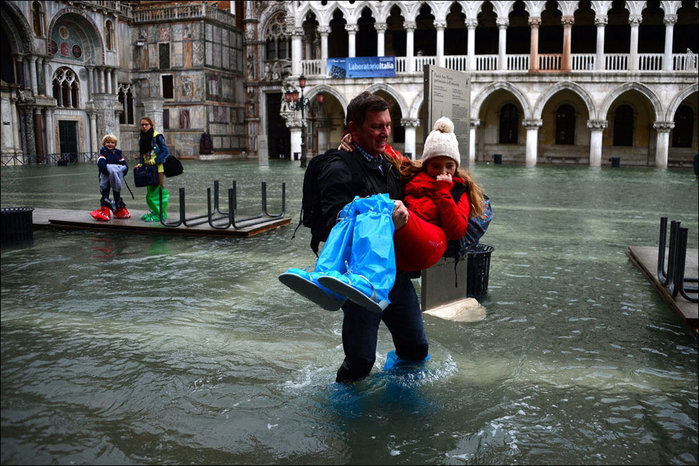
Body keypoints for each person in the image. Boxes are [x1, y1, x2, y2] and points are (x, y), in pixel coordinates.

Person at [287, 91, 435, 383]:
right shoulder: (338, 167)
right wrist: (384, 219)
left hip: (395, 274)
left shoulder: (388, 164)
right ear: (353, 129)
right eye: (377, 126)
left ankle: (398, 404)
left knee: (416, 349)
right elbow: (333, 224)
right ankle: (341, 417)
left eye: (388, 125)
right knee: (361, 361)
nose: (385, 132)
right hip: (360, 280)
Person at [280, 117, 483, 313]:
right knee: (357, 208)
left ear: (456, 166)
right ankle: (324, 273)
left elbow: (456, 231)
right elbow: (388, 151)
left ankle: (369, 282)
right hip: (405, 238)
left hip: (433, 242)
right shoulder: (414, 172)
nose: (442, 172)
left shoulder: (459, 190)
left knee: (386, 206)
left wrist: (442, 191)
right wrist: (353, 138)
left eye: (449, 166)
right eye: (436, 166)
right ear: (426, 162)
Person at [136, 117, 170, 222]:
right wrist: (140, 164)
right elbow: (143, 153)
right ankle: (155, 211)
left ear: (151, 125)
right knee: (150, 191)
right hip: (147, 167)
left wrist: (155, 160)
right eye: (142, 125)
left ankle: (161, 213)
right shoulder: (142, 137)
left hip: (157, 167)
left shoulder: (157, 136)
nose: (144, 127)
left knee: (158, 189)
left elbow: (165, 152)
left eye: (146, 124)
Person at [89, 134, 130, 221]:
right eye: (108, 142)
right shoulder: (102, 155)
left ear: (115, 144)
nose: (110, 144)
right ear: (104, 144)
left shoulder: (118, 154)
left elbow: (125, 166)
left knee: (117, 193)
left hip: (117, 177)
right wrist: (115, 170)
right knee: (105, 193)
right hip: (105, 178)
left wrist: (116, 171)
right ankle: (105, 211)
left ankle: (119, 210)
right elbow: (102, 166)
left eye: (112, 142)